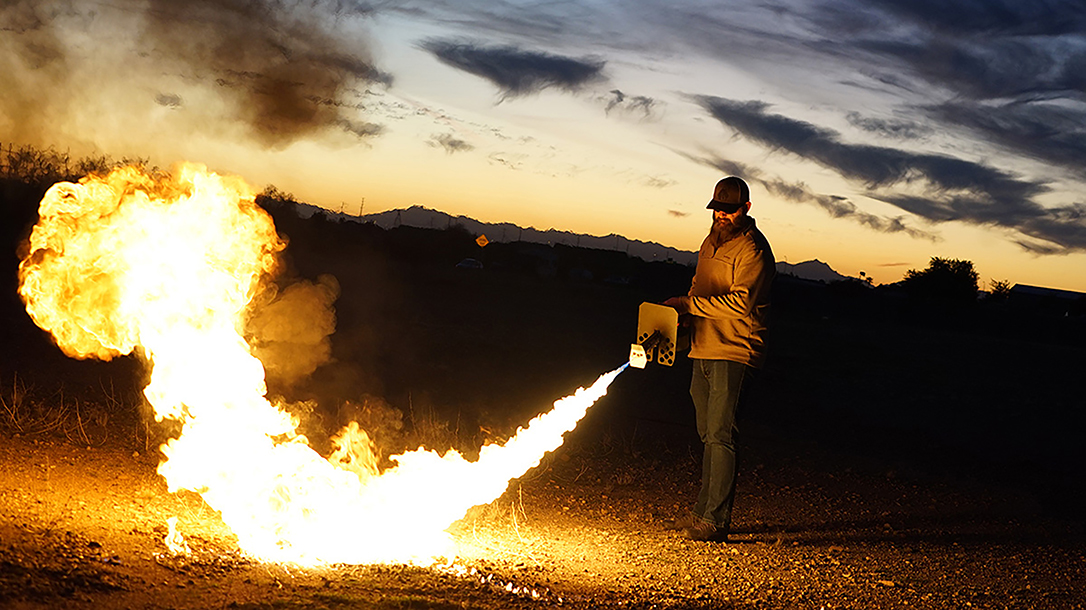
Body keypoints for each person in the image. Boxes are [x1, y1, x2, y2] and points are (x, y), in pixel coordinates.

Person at [663, 176, 774, 542]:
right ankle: (701, 513)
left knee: (721, 435)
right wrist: (680, 316)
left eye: (729, 210)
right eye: (717, 209)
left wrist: (689, 304)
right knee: (707, 432)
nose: (722, 216)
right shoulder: (710, 242)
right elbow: (699, 286)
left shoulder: (753, 250)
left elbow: (741, 304)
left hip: (735, 350)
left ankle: (714, 520)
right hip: (702, 347)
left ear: (746, 209)